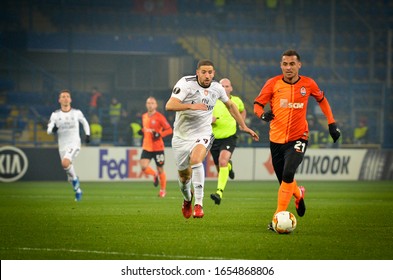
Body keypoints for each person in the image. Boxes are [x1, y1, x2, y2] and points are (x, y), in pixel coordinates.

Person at [253, 49, 341, 230]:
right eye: (285, 64)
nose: (288, 67)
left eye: (292, 64)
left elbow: (322, 100)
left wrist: (331, 124)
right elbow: (257, 105)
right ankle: (299, 193)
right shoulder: (273, 83)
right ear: (281, 65)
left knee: (287, 174)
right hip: (276, 140)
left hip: (299, 138)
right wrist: (262, 115)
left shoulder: (308, 84)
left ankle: (276, 218)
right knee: (285, 182)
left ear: (299, 65)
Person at [166, 59, 259, 219]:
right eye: (204, 72)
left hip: (203, 133)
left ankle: (199, 204)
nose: (207, 75)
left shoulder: (217, 88)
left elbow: (230, 105)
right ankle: (188, 199)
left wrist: (243, 125)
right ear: (197, 72)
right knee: (184, 177)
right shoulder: (186, 84)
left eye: (210, 72)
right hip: (181, 136)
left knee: (196, 160)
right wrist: (191, 106)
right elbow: (170, 105)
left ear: (214, 73)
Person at [47, 89, 91, 201]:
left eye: (67, 96)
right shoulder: (55, 115)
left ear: (70, 99)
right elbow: (48, 130)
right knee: (68, 172)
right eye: (63, 96)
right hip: (62, 145)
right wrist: (53, 129)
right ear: (59, 100)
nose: (65, 98)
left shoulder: (76, 113)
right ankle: (78, 190)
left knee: (65, 162)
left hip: (74, 143)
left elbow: (85, 123)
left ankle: (76, 180)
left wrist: (87, 135)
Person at [210, 78, 246, 205]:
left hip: (229, 136)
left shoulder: (236, 101)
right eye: (222, 86)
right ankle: (229, 167)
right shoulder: (212, 100)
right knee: (221, 168)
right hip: (213, 138)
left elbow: (242, 110)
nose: (224, 88)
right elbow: (202, 114)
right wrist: (209, 119)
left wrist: (241, 123)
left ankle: (219, 193)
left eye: (227, 86)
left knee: (222, 161)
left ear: (231, 88)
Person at [139, 97, 173, 197]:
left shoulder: (159, 117)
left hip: (158, 147)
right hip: (147, 146)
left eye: (152, 103)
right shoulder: (144, 116)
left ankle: (163, 190)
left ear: (156, 105)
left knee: (160, 169)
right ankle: (154, 175)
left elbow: (169, 130)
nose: (150, 105)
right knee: (143, 166)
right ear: (146, 104)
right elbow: (147, 129)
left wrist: (160, 134)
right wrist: (142, 131)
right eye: (148, 103)